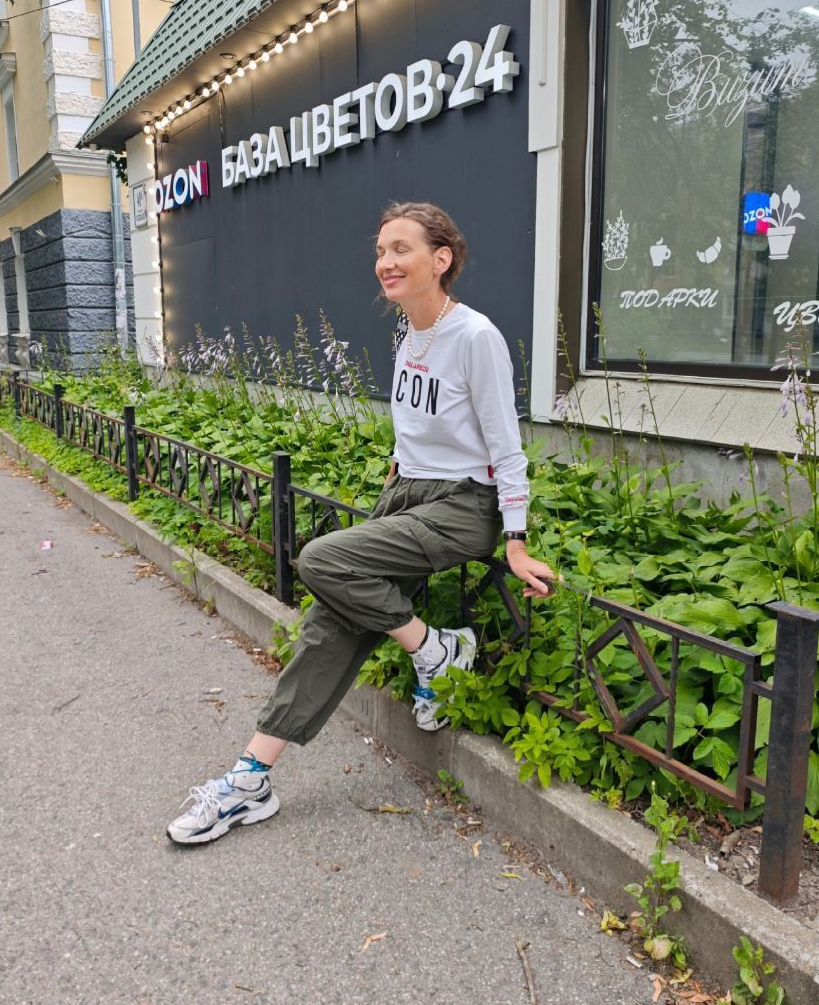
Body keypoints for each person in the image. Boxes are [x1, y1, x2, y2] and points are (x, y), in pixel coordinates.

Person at [168, 202, 556, 844]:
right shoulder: (408, 333)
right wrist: (398, 469)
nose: (385, 262)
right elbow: (416, 424)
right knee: (330, 625)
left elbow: (506, 449)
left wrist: (515, 541)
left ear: (441, 259)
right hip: (408, 494)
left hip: (463, 506)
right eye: (380, 251)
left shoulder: (475, 336)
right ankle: (249, 780)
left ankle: (436, 651)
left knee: (321, 559)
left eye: (401, 249)